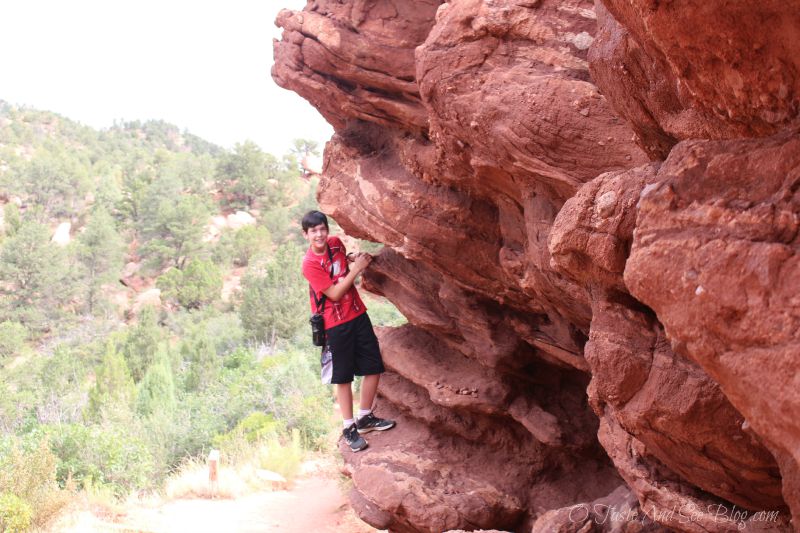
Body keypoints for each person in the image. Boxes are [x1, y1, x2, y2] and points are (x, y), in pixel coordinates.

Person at [301, 210, 395, 452]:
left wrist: (353, 259)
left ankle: (365, 418)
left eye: (322, 229)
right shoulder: (310, 264)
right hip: (335, 324)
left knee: (373, 365)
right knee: (343, 376)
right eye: (314, 231)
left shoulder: (335, 244)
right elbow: (333, 293)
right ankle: (348, 426)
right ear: (306, 235)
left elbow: (344, 260)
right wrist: (358, 269)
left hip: (357, 314)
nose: (319, 234)